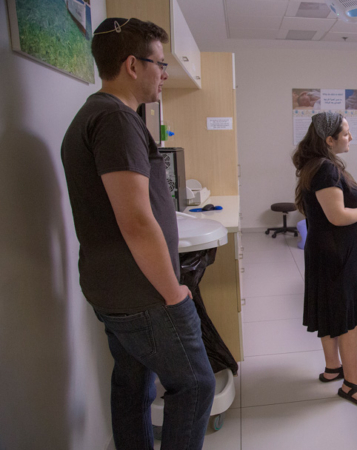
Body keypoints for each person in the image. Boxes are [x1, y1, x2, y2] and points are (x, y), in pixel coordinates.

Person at [61, 18, 215, 449]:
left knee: (133, 385)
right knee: (196, 385)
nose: (164, 74)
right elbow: (135, 219)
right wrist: (173, 292)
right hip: (144, 294)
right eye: (159, 64)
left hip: (111, 286)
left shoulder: (90, 115)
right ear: (133, 64)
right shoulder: (116, 119)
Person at [292, 112, 357, 408]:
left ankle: (334, 368)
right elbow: (338, 216)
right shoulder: (326, 169)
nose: (350, 137)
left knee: (333, 312)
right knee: (350, 320)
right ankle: (351, 384)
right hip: (339, 254)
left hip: (329, 251)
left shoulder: (317, 166)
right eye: (345, 133)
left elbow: (333, 205)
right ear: (329, 140)